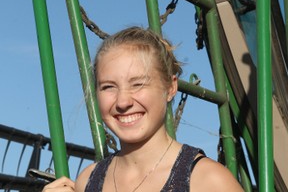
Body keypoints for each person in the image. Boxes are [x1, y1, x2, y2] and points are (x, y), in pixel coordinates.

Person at [42, 26, 244, 192]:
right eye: (108, 87)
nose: (122, 102)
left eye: (138, 84)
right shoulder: (87, 181)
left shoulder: (208, 181)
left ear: (170, 87)